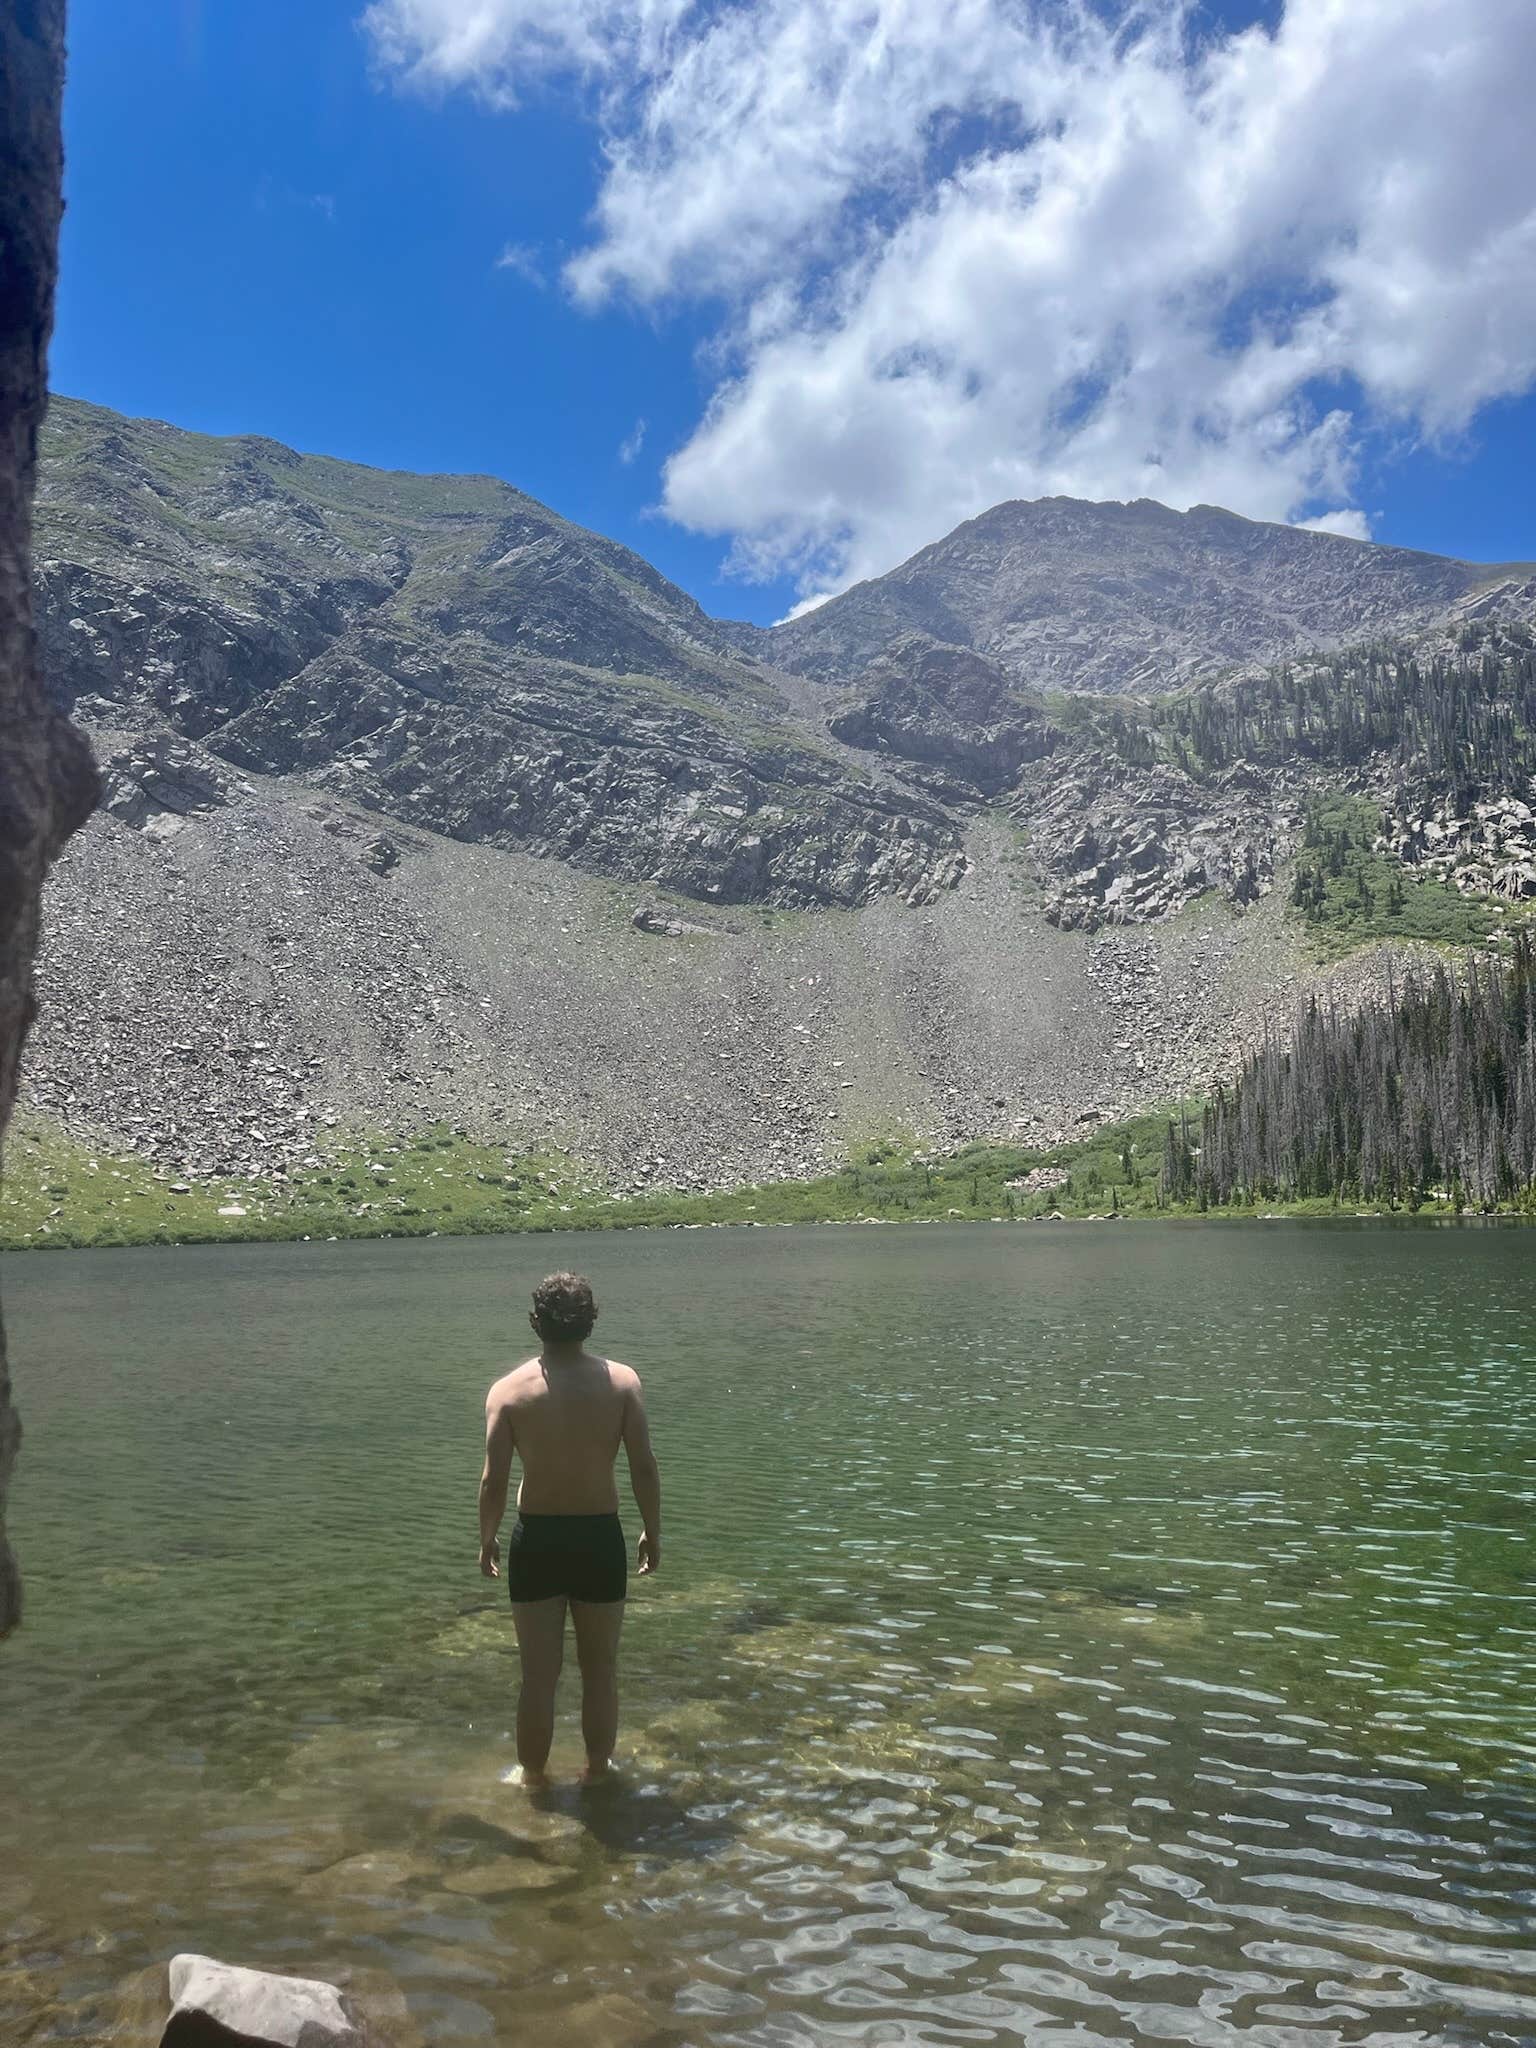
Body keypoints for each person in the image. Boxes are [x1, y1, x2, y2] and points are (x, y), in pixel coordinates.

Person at [478, 1270, 661, 1785]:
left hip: (536, 1539)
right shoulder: (622, 1383)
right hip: (599, 1537)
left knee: (538, 1675)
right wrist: (653, 1529)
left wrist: (487, 1537)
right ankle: (599, 1772)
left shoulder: (508, 1391)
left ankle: (531, 1779)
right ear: (590, 1321)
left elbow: (494, 1479)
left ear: (535, 1322)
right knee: (600, 1670)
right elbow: (644, 1465)